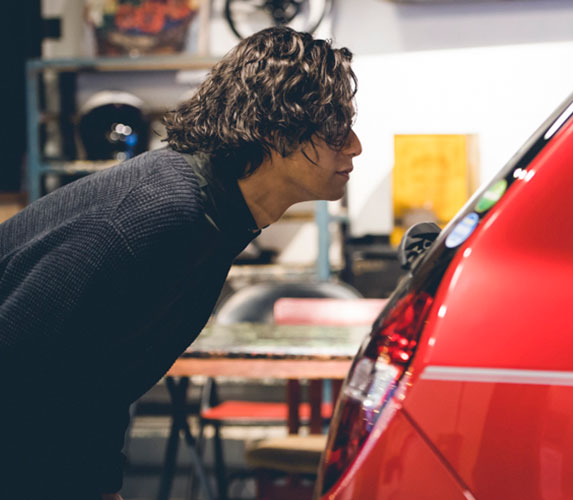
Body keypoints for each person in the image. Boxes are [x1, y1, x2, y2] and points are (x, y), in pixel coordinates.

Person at [0, 26, 361, 500]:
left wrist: (101, 482)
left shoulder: (213, 213)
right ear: (277, 131)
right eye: (335, 129)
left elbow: (101, 377)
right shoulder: (162, 213)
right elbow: (20, 367)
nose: (354, 145)